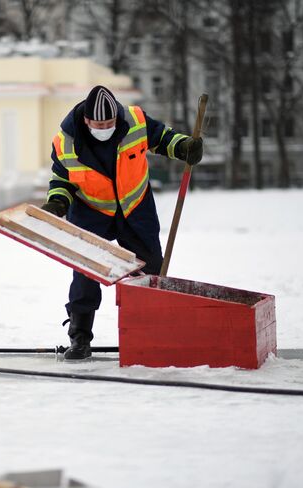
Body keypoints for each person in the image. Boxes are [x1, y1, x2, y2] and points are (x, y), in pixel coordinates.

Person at [42, 84, 203, 360]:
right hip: (91, 211)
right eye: (99, 124)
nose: (104, 127)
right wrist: (57, 202)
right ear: (86, 120)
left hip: (134, 208)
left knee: (150, 269)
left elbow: (163, 138)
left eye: (109, 122)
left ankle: (150, 333)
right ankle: (80, 337)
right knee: (85, 273)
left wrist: (184, 147)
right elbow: (61, 180)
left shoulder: (134, 121)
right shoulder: (65, 141)